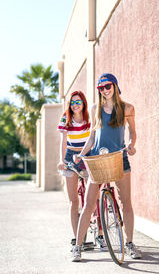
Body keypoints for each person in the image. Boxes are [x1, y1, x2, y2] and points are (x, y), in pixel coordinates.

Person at [72, 73, 142, 262]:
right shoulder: (96, 108)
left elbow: (132, 132)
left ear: (115, 85)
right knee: (88, 204)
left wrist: (131, 145)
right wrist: (82, 154)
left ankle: (129, 244)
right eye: (101, 88)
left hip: (120, 157)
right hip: (98, 160)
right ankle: (77, 247)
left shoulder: (127, 108)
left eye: (107, 85)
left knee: (126, 203)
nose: (104, 90)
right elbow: (92, 138)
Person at [57, 90, 91, 249]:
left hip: (86, 155)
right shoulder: (66, 117)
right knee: (73, 200)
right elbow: (64, 141)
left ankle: (99, 234)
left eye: (78, 102)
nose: (75, 105)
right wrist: (61, 160)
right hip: (70, 155)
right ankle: (78, 238)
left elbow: (94, 137)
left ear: (83, 103)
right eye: (72, 102)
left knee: (92, 198)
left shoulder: (90, 117)